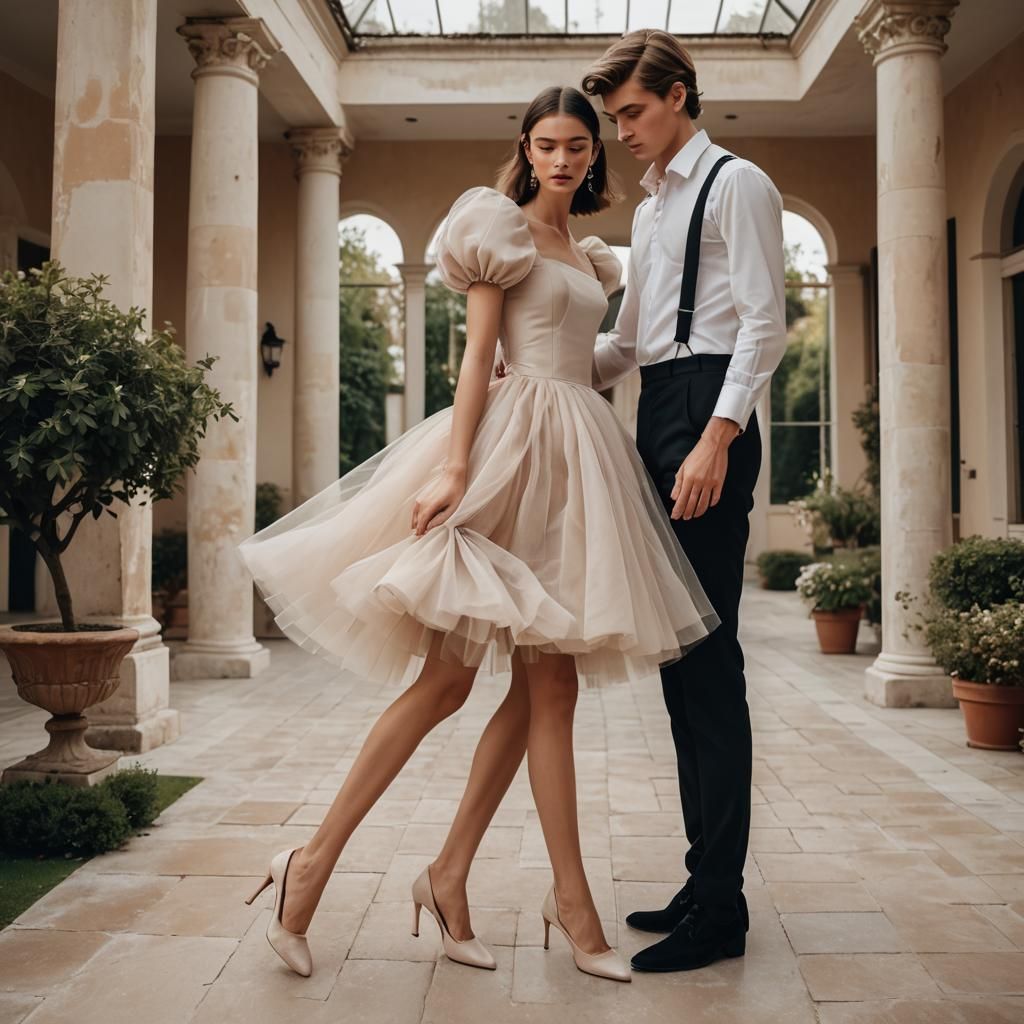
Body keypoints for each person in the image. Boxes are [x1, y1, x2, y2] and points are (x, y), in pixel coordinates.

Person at [237, 84, 719, 984]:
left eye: (578, 144)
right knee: (449, 683)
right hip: (509, 455)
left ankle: (470, 881)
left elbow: (593, 357)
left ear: (592, 155)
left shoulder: (587, 253)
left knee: (551, 689)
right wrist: (456, 467)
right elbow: (477, 354)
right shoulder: (496, 232)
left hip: (580, 461)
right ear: (526, 149)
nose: (564, 159)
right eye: (547, 144)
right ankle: (311, 866)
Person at [580, 30, 788, 973]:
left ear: (678, 95)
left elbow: (764, 323)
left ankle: (724, 912)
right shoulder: (654, 208)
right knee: (678, 660)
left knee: (709, 662)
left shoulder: (734, 182)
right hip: (660, 402)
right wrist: (545, 370)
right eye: (615, 116)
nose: (620, 130)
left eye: (631, 112)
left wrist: (719, 434)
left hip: (709, 413)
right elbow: (627, 344)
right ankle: (705, 880)